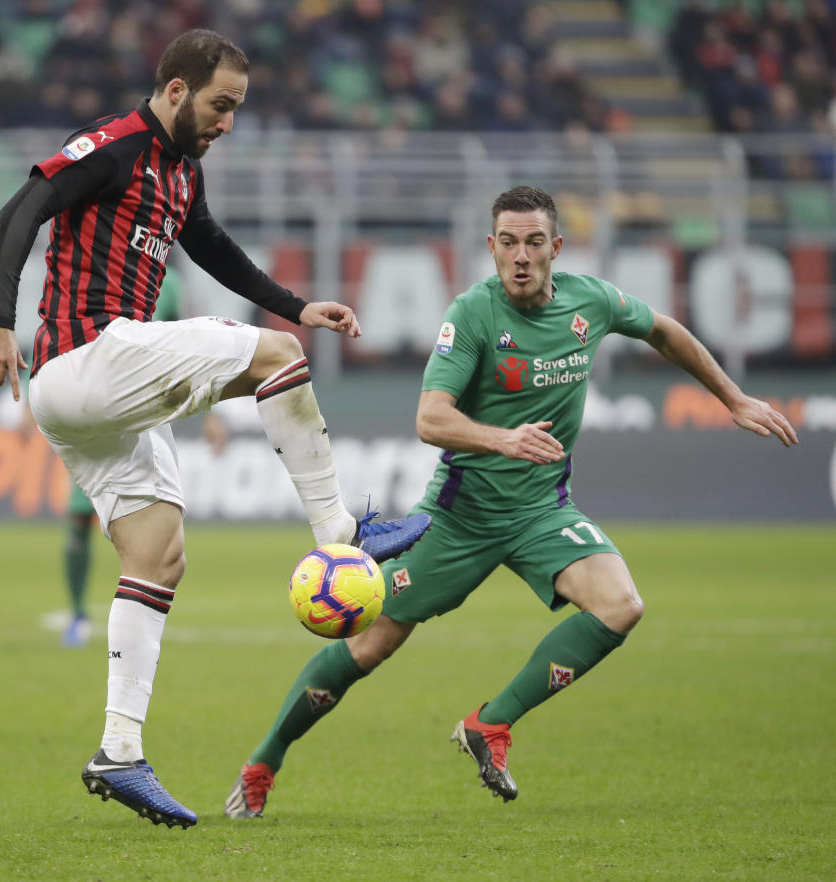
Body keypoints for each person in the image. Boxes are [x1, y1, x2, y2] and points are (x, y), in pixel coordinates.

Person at [0, 29, 430, 830]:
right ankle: (340, 530)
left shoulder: (182, 171)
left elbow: (209, 244)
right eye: (221, 104)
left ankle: (118, 751)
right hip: (87, 356)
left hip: (98, 393)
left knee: (158, 555)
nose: (227, 121)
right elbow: (24, 206)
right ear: (177, 89)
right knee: (276, 359)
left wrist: (296, 304)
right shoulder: (116, 145)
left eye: (237, 109)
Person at [223, 185, 799, 819]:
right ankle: (265, 759)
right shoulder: (472, 314)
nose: (520, 256)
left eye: (532, 242)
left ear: (555, 246)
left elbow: (664, 331)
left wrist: (734, 397)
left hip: (542, 512)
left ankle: (489, 725)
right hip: (458, 517)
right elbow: (430, 419)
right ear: (490, 247)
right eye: (507, 242)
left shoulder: (592, 300)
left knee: (620, 606)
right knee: (367, 646)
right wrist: (505, 439)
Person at [58, 265, 184, 650]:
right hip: (93, 409)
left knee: (149, 526)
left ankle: (139, 619)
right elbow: (60, 327)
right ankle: (78, 613)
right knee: (81, 516)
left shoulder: (171, 284)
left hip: (145, 418)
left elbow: (182, 347)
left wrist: (207, 414)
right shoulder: (97, 267)